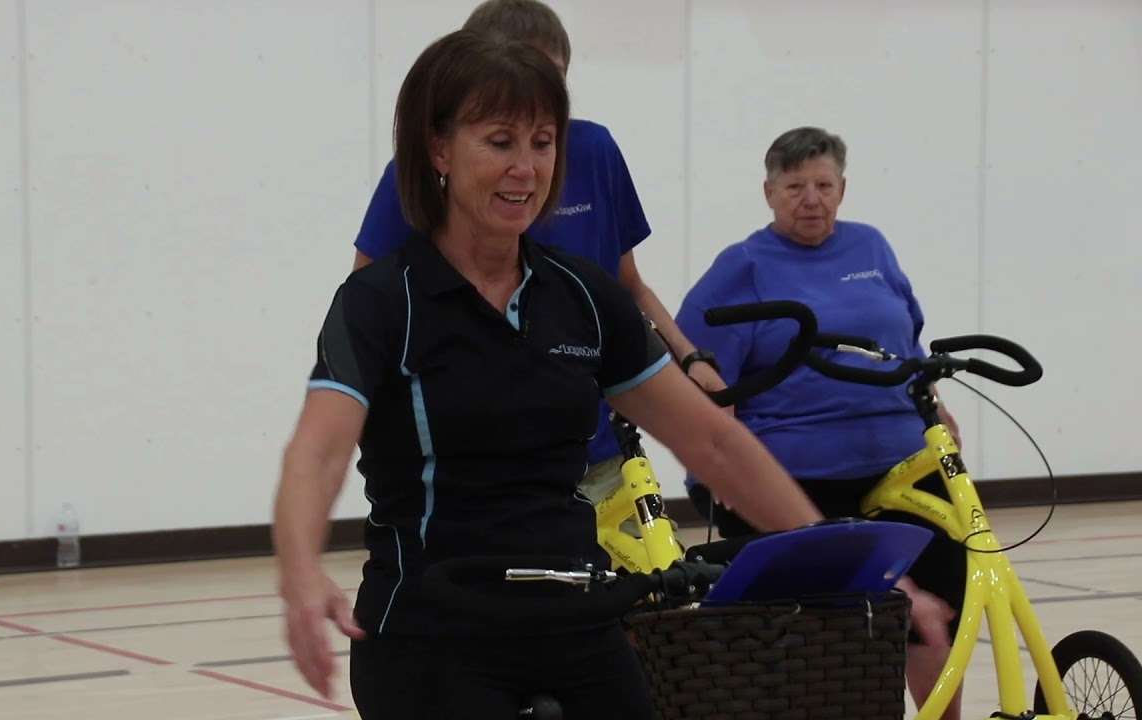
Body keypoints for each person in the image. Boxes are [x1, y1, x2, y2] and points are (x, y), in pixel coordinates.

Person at [274, 31, 824, 720]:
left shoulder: (584, 295)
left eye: (542, 142)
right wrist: (299, 571)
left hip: (575, 621)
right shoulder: (382, 303)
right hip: (431, 632)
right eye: (500, 141)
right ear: (440, 149)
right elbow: (318, 451)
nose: (526, 168)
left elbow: (711, 441)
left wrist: (828, 552)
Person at [350, 0, 728, 528]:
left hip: (597, 446)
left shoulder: (594, 150)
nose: (535, 99)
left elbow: (629, 286)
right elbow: (368, 313)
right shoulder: (417, 177)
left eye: (551, 85)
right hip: (481, 465)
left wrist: (689, 360)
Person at [674, 125, 966, 720]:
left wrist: (934, 404)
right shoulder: (743, 267)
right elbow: (698, 372)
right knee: (832, 620)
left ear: (842, 189)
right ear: (769, 193)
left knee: (943, 600)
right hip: (796, 470)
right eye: (794, 187)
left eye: (824, 185)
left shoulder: (871, 247)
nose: (811, 199)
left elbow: (904, 341)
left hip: (900, 460)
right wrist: (718, 458)